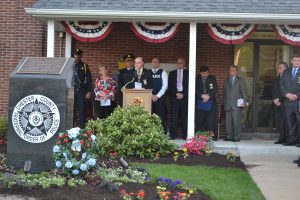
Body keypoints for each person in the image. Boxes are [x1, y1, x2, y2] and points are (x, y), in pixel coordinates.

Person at [223, 65, 248, 142]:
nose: (231, 71)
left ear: (237, 72)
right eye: (230, 70)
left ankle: (236, 137)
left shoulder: (241, 80)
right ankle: (229, 136)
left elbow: (244, 92)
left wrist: (245, 102)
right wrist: (224, 103)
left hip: (236, 104)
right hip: (228, 104)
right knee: (228, 123)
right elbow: (224, 93)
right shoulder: (226, 81)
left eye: (233, 70)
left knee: (236, 122)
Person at [280, 55, 300, 146]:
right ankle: (291, 141)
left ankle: (298, 141)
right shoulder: (286, 72)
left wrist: (296, 95)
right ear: (291, 61)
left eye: (298, 60)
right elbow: (282, 85)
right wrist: (286, 94)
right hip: (288, 101)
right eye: (295, 60)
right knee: (290, 122)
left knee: (298, 121)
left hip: (298, 101)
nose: (296, 62)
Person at [168, 58, 189, 140]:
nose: (179, 64)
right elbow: (170, 86)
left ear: (184, 64)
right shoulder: (172, 73)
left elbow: (190, 85)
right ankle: (173, 135)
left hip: (185, 98)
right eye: (178, 63)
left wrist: (183, 94)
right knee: (174, 117)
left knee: (185, 117)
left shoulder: (188, 73)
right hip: (175, 98)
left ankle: (185, 135)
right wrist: (176, 93)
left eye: (181, 63)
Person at [195, 65, 218, 133]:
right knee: (199, 120)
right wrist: (202, 96)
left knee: (210, 120)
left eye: (207, 73)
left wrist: (208, 96)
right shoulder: (197, 78)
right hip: (200, 101)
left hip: (210, 102)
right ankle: (198, 135)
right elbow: (195, 90)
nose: (205, 75)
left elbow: (215, 89)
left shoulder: (212, 78)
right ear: (200, 73)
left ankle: (211, 136)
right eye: (204, 73)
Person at [73, 48, 92, 129]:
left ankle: (82, 129)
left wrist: (89, 91)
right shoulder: (70, 65)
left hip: (81, 90)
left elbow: (89, 79)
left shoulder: (84, 65)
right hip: (72, 89)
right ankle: (71, 127)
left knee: (82, 109)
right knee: (72, 109)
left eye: (78, 55)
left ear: (81, 56)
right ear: (74, 55)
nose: (77, 56)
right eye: (76, 54)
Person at [151, 57, 168, 134]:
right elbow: (146, 85)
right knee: (150, 116)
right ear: (151, 63)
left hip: (159, 98)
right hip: (150, 98)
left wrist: (157, 96)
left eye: (156, 62)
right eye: (153, 62)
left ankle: (162, 133)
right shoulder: (148, 72)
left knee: (161, 116)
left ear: (159, 63)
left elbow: (165, 86)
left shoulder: (163, 72)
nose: (155, 63)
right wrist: (151, 95)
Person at [272, 62, 288, 144]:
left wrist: (279, 99)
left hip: (284, 103)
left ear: (285, 69)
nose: (278, 69)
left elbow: (286, 91)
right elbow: (274, 90)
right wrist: (274, 99)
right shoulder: (277, 78)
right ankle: (281, 138)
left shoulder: (288, 78)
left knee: (286, 121)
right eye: (278, 68)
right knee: (280, 122)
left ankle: (286, 139)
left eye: (280, 68)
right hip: (277, 103)